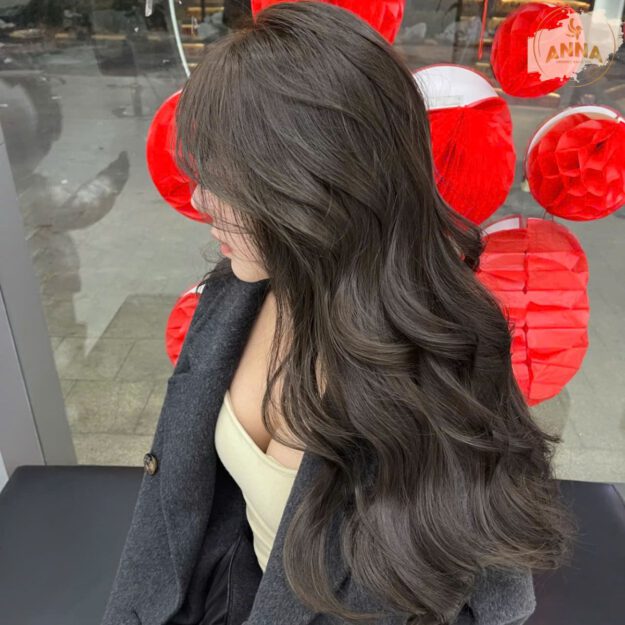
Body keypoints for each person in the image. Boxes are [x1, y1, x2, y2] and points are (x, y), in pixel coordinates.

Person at [172, 2, 577, 624]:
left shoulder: (441, 358)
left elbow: (498, 592)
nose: (201, 200)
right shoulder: (233, 296)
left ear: (318, 182)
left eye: (231, 182)